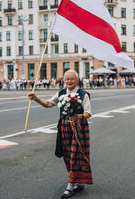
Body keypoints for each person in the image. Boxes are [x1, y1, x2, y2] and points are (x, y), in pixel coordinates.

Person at [28, 70, 93, 198]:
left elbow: (88, 113)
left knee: (75, 155)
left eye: (72, 79)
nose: (69, 81)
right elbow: (48, 104)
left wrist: (78, 116)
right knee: (68, 156)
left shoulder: (83, 94)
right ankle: (77, 181)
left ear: (77, 80)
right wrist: (35, 98)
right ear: (64, 80)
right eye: (67, 79)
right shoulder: (61, 93)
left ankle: (70, 186)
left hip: (79, 127)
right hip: (64, 127)